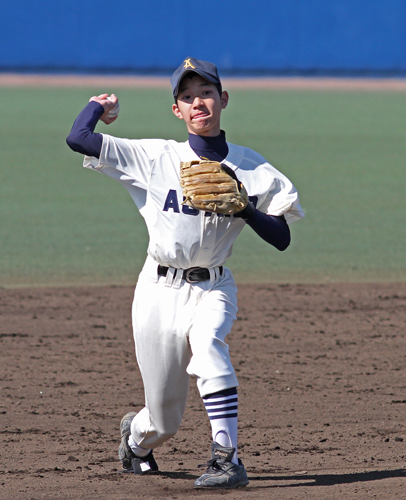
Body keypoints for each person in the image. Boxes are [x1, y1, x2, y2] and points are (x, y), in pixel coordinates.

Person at [65, 57, 304, 489]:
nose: (199, 102)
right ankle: (136, 442)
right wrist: (99, 105)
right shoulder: (155, 157)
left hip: (213, 286)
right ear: (177, 110)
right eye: (187, 96)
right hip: (157, 291)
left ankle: (226, 458)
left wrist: (246, 209)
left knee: (210, 348)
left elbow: (282, 238)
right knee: (163, 418)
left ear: (223, 99)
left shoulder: (253, 169)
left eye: (207, 93)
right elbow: (78, 138)